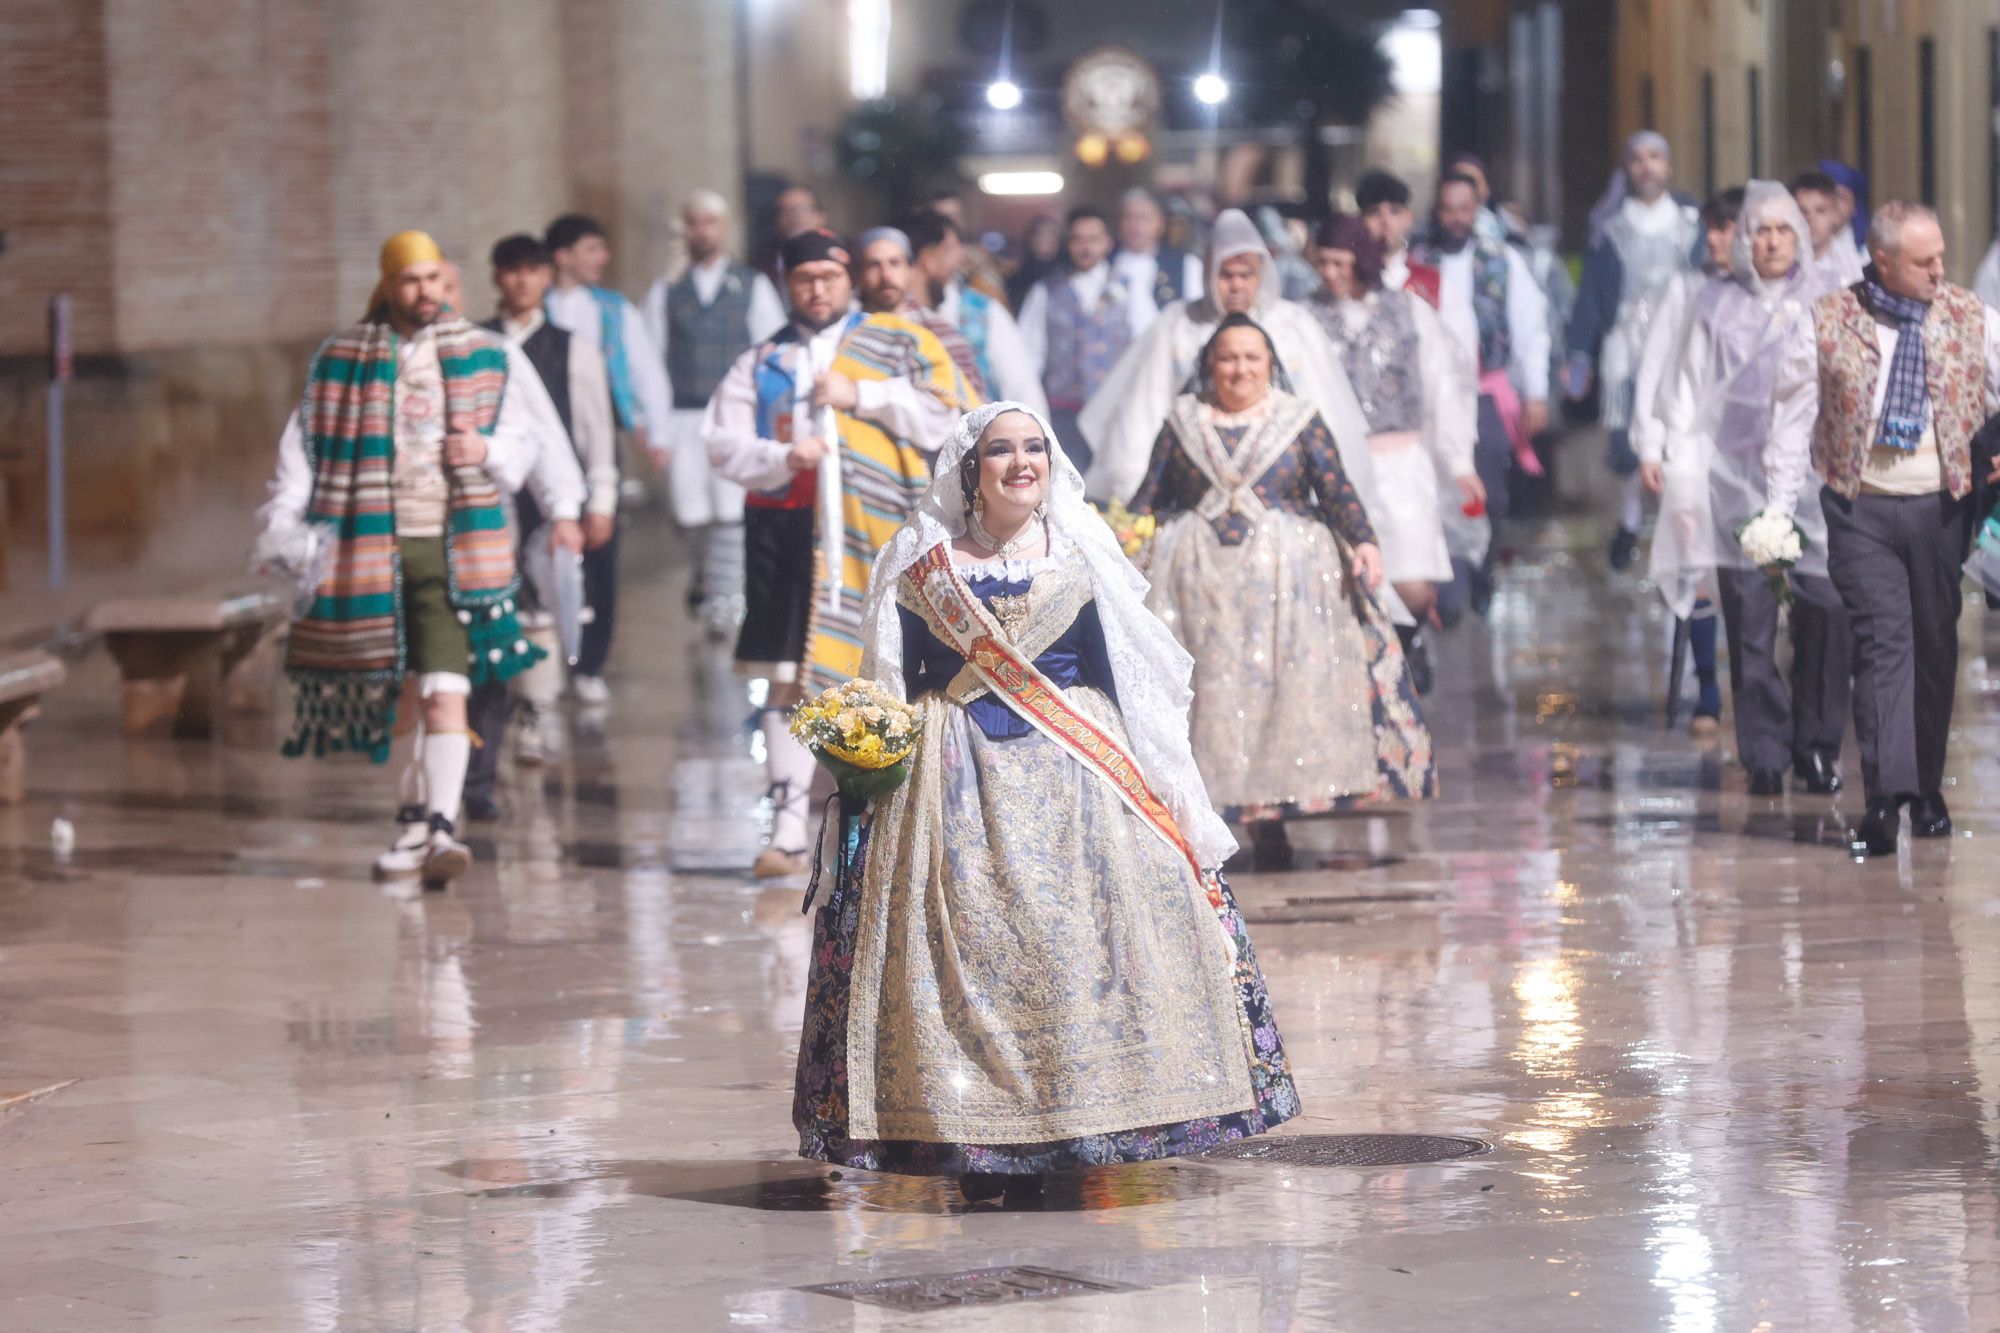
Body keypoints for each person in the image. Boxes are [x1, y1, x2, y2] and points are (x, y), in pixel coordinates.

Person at [794, 401, 1299, 1202]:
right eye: (1001, 450)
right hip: (954, 779)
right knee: (971, 953)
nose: (1020, 462)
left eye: (1034, 447)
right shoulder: (919, 559)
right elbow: (888, 681)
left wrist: (1173, 795)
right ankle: (974, 1142)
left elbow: (1133, 679)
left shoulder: (1083, 553)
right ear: (971, 470)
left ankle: (1077, 1133)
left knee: (1078, 944)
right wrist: (861, 771)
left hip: (1078, 770)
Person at [254, 230, 559, 883]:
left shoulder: (485, 353)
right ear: (388, 283)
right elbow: (304, 447)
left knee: (448, 691)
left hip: (454, 553)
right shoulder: (342, 359)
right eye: (411, 280)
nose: (425, 292)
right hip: (368, 555)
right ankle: (415, 822)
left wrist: (485, 451)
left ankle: (442, 827)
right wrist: (283, 527)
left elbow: (524, 435)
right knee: (405, 702)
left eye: (434, 280)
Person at [704, 228, 974, 877]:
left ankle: (897, 820)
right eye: (804, 280)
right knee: (788, 671)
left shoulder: (897, 339)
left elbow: (952, 412)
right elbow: (719, 440)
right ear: (786, 284)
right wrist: (779, 457)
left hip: (880, 533)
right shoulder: (762, 359)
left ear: (846, 278)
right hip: (790, 531)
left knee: (892, 669)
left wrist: (866, 396)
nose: (817, 289)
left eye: (828, 277)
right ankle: (791, 825)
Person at [1131, 314, 1434, 872]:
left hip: (1288, 583)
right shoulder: (1183, 421)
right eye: (1228, 357)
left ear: (1271, 365)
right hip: (1198, 584)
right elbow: (1149, 494)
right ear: (1209, 365)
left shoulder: (1298, 421)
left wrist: (1363, 541)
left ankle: (1270, 819)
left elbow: (1334, 487)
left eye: (1252, 357)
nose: (1240, 368)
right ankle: (1207, 818)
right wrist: (1123, 548)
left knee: (1275, 696)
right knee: (1212, 697)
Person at [1763, 202, 2000, 855]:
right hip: (1860, 506)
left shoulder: (1970, 318)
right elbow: (1790, 425)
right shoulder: (1827, 323)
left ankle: (1925, 787)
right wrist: (1779, 513)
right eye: (1925, 262)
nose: (1939, 271)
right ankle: (1884, 802)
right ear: (1885, 262)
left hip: (1941, 507)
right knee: (1881, 645)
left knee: (1933, 645)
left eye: (1942, 257)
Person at [1650, 183, 1851, 795]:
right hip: (1734, 479)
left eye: (1783, 229)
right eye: (1760, 230)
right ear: (1744, 238)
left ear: (1800, 238)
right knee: (1751, 619)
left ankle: (1816, 744)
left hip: (1814, 480)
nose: (1771, 241)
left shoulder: (1829, 299)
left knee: (1826, 610)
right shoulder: (1711, 302)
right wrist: (1683, 486)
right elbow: (1684, 396)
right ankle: (1764, 750)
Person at [1080, 209, 1384, 527]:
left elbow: (1321, 409)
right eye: (1226, 275)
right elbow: (1144, 412)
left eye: (1247, 274)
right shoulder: (1180, 325)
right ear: (1209, 274)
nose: (1236, 285)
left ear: (1261, 275)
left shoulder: (1291, 325)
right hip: (1196, 488)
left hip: (1281, 488)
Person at [463, 234, 607, 811]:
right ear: (497, 277)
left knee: (548, 607)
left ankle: (537, 713)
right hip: (492, 495)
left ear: (546, 276)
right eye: (510, 271)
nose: (521, 281)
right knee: (503, 606)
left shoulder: (574, 349)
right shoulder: (474, 343)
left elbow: (595, 430)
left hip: (551, 497)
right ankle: (493, 723)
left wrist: (596, 500)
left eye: (531, 270)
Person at [1306, 215, 1479, 693]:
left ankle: (1409, 641)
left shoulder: (1408, 312)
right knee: (1350, 575)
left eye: (1340, 263)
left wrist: (1458, 461)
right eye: (1323, 263)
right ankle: (1370, 675)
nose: (1331, 273)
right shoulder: (1304, 317)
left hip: (1401, 459)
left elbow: (1445, 387)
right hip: (1334, 464)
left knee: (1413, 581)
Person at [643, 190, 788, 637]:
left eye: (711, 222)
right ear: (685, 230)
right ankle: (705, 577)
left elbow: (772, 352)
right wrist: (657, 431)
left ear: (723, 229)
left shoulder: (750, 286)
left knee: (729, 510)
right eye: (695, 222)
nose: (702, 230)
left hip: (734, 418)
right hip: (684, 416)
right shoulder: (666, 292)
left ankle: (725, 605)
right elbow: (650, 362)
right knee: (691, 514)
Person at [543, 212, 672, 704]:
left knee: (601, 548)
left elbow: (643, 370)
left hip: (597, 443)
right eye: (592, 248)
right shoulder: (539, 307)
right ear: (563, 255)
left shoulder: (613, 310)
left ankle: (591, 662)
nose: (603, 258)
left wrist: (653, 430)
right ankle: (547, 655)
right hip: (544, 443)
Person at [1631, 187, 1745, 737]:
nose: (1718, 239)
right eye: (1714, 228)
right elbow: (1656, 369)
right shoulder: (1686, 288)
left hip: (1748, 455)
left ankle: (1754, 683)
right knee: (1694, 562)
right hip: (1692, 449)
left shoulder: (1775, 296)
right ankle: (1707, 686)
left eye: (1729, 228)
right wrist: (1651, 446)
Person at [1410, 173, 1552, 615]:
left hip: (1486, 389)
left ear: (1476, 212)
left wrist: (1536, 393)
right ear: (1437, 212)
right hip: (1430, 393)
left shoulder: (1501, 260)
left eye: (1464, 209)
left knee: (1490, 488)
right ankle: (1447, 575)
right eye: (1447, 209)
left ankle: (1483, 560)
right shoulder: (1419, 264)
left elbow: (1531, 329)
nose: (1455, 218)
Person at [1567, 132, 1702, 572]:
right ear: (1627, 167)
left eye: (1656, 157)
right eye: (1638, 158)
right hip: (1626, 346)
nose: (1648, 167)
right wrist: (1579, 354)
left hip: (1682, 346)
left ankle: (1674, 523)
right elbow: (1589, 293)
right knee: (1628, 442)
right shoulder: (1610, 226)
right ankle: (1629, 521)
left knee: (1679, 433)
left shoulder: (1690, 224)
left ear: (1670, 165)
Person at [1017, 206, 1154, 472]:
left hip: (1114, 412)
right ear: (1067, 244)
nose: (1085, 248)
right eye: (1078, 240)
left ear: (1107, 243)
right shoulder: (1046, 291)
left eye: (1093, 239)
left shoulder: (1130, 288)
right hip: (1063, 414)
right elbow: (1029, 356)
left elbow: (1147, 345)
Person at [907, 210, 1048, 415]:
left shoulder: (982, 311)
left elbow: (1021, 385)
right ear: (927, 258)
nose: (961, 256)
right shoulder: (893, 315)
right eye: (952, 249)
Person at [857, 225, 989, 401]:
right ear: (860, 274)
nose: (886, 275)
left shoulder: (941, 333)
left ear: (909, 270)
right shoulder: (846, 331)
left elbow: (970, 402)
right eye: (874, 265)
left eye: (895, 263)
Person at [1113, 188, 1204, 311]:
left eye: (1143, 218)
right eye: (1129, 217)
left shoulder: (1187, 265)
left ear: (1160, 223)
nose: (1135, 225)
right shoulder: (1107, 264)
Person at [1792, 170, 1866, 288]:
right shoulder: (1779, 264)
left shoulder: (1854, 266)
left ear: (1835, 215)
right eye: (1802, 211)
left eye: (1820, 210)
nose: (1810, 219)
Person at [1005, 213, 1062, 312]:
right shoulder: (1016, 279)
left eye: (1051, 234)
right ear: (1030, 238)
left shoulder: (1066, 277)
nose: (1044, 239)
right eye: (1040, 234)